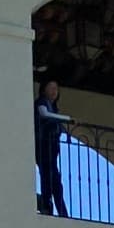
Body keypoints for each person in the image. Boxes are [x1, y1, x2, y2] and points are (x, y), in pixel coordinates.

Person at [34, 77, 70, 216]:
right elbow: (44, 114)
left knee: (54, 178)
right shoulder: (42, 103)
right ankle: (48, 207)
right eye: (51, 87)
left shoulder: (54, 107)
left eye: (56, 88)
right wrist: (68, 119)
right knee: (48, 177)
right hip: (43, 146)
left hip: (51, 148)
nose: (54, 91)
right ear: (44, 89)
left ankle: (60, 210)